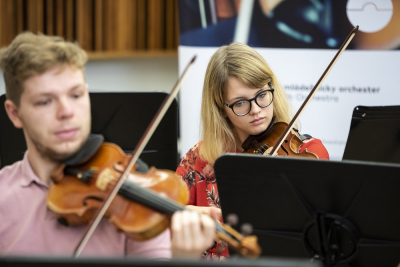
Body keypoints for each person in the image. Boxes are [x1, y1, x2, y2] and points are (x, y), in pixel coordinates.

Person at [0, 32, 215, 259]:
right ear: (15, 114)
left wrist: (183, 260)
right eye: (45, 101)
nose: (67, 111)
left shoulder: (129, 194)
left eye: (76, 95)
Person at [175, 42, 329, 260]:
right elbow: (164, 223)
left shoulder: (308, 151)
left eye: (262, 95)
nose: (256, 110)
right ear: (221, 109)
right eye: (240, 103)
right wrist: (189, 213)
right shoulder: (198, 158)